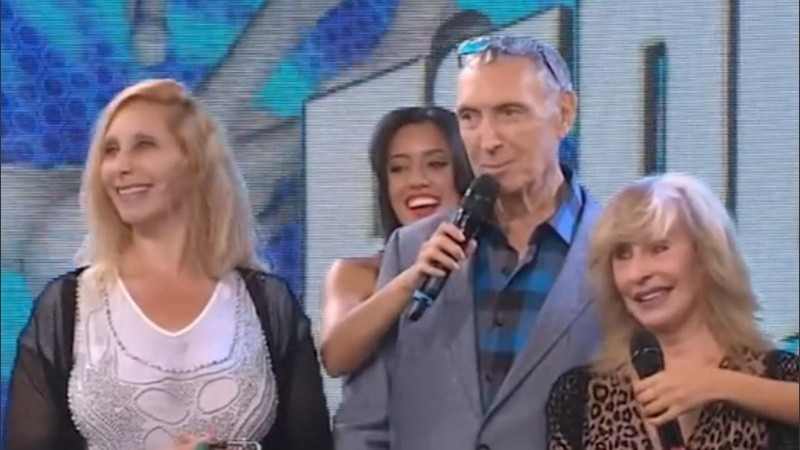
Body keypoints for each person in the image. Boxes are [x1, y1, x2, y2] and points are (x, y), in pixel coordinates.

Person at [4, 79, 332, 450]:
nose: (120, 166)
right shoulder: (66, 307)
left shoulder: (268, 306)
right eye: (110, 151)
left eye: (144, 145)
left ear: (194, 163)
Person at [334, 35, 603, 450]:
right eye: (470, 117)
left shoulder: (621, 251)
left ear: (564, 113)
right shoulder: (412, 250)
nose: (487, 140)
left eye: (510, 113)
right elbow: (364, 421)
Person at [546, 173, 800, 449]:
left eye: (659, 248)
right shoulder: (580, 397)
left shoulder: (778, 376)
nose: (636, 273)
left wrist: (718, 384)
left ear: (706, 257)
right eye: (623, 254)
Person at [320, 106, 473, 377]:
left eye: (436, 164)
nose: (416, 181)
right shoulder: (356, 273)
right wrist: (414, 277)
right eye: (398, 168)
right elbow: (334, 358)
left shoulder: (497, 268)